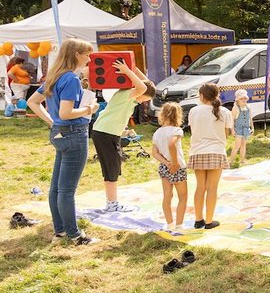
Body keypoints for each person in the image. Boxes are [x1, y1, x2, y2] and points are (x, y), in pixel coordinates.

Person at [26, 38, 98, 245]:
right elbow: (67, 113)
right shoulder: (71, 80)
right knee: (67, 189)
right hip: (74, 134)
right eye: (87, 55)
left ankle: (61, 231)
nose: (89, 59)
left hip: (59, 134)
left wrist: (52, 122)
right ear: (77, 54)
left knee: (56, 187)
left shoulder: (54, 76)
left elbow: (33, 102)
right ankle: (75, 235)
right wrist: (89, 110)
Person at [91, 61, 155, 212]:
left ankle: (112, 202)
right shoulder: (128, 94)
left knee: (114, 166)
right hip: (104, 133)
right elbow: (143, 87)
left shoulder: (129, 96)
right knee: (111, 169)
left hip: (107, 133)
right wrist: (126, 70)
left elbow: (148, 84)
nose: (142, 102)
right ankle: (112, 204)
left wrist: (133, 67)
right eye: (144, 100)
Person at [188, 83, 233, 229]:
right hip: (216, 151)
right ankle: (208, 221)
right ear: (216, 95)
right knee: (212, 188)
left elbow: (193, 130)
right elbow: (226, 134)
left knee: (200, 187)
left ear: (201, 96)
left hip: (198, 151)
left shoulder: (194, 111)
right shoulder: (225, 112)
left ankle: (198, 220)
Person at [151, 102, 188, 230]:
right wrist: (174, 162)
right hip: (177, 167)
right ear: (177, 116)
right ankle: (179, 225)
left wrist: (166, 162)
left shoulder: (157, 132)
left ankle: (170, 223)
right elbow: (172, 145)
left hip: (164, 166)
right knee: (183, 196)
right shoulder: (177, 131)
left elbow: (154, 153)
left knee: (167, 195)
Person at [230, 89, 252, 166]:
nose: (243, 100)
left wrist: (252, 127)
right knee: (237, 145)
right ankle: (230, 161)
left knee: (243, 144)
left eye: (245, 98)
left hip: (246, 129)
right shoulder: (236, 108)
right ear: (237, 100)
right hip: (238, 129)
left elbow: (250, 118)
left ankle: (242, 160)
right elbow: (232, 120)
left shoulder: (248, 107)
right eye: (241, 99)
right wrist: (232, 130)